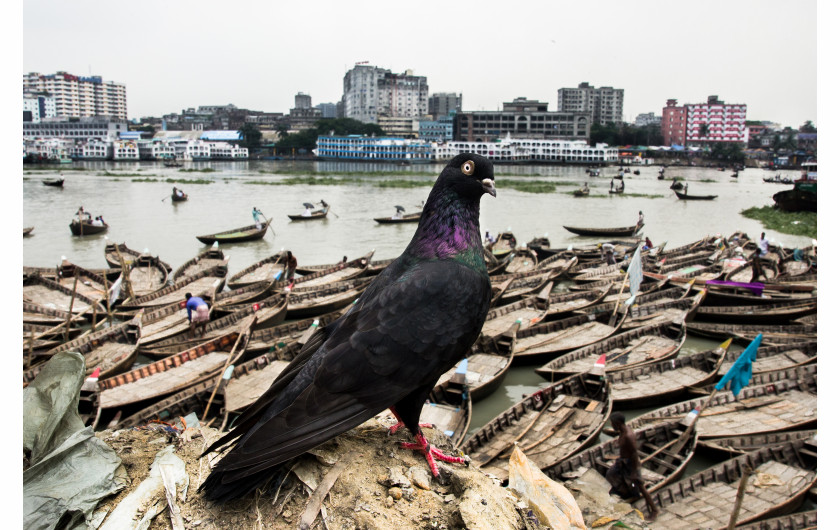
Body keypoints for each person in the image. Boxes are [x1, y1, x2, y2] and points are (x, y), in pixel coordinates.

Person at [606, 412, 659, 520]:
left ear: (618, 423)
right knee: (610, 474)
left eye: (613, 424)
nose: (612, 426)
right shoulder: (622, 431)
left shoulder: (628, 436)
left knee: (640, 485)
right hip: (622, 461)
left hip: (631, 463)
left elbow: (634, 454)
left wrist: (634, 472)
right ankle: (628, 492)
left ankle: (654, 510)